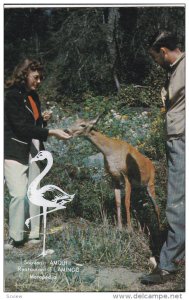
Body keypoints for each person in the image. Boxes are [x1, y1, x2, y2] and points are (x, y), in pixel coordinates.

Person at [4, 58, 71, 249]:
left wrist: (43, 120)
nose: (39, 81)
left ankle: (33, 234)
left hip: (35, 148)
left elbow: (34, 124)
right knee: (18, 194)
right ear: (25, 74)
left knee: (34, 192)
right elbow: (20, 127)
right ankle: (15, 237)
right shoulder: (12, 96)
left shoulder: (34, 97)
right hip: (15, 148)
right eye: (36, 77)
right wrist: (51, 132)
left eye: (41, 78)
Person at [141, 31, 185, 284]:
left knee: (177, 201)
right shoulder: (176, 70)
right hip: (178, 136)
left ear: (165, 52)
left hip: (181, 138)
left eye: (155, 57)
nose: (156, 61)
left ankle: (168, 265)